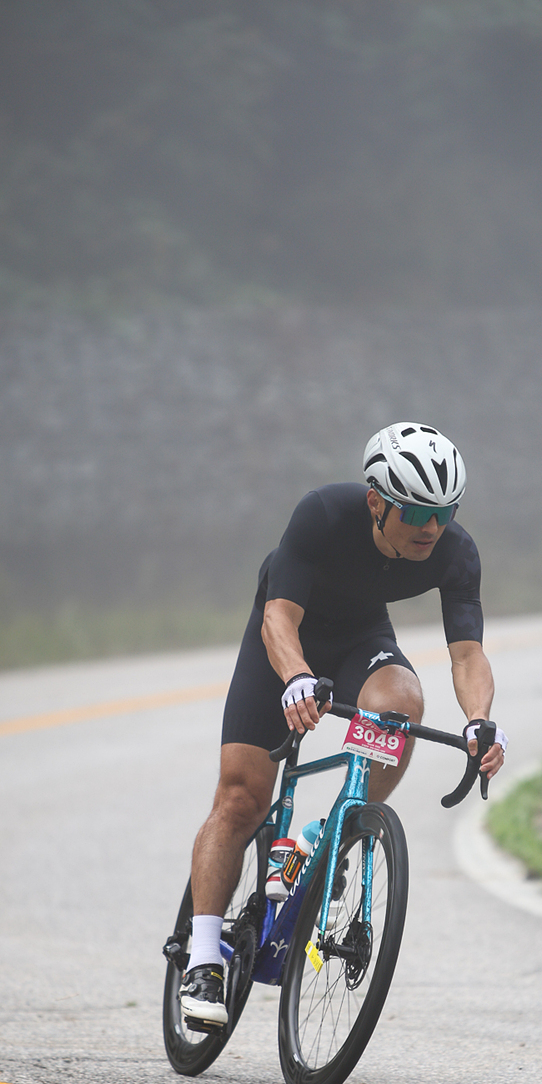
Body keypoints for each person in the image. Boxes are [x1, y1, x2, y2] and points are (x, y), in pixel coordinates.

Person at [180, 422, 507, 1028]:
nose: (431, 528)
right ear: (377, 502)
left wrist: (480, 722)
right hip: (284, 639)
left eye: (444, 513)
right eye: (416, 512)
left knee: (402, 702)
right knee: (241, 799)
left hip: (360, 638)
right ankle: (202, 957)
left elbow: (467, 656)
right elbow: (278, 618)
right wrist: (297, 678)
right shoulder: (324, 515)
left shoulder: (455, 552)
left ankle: (326, 834)